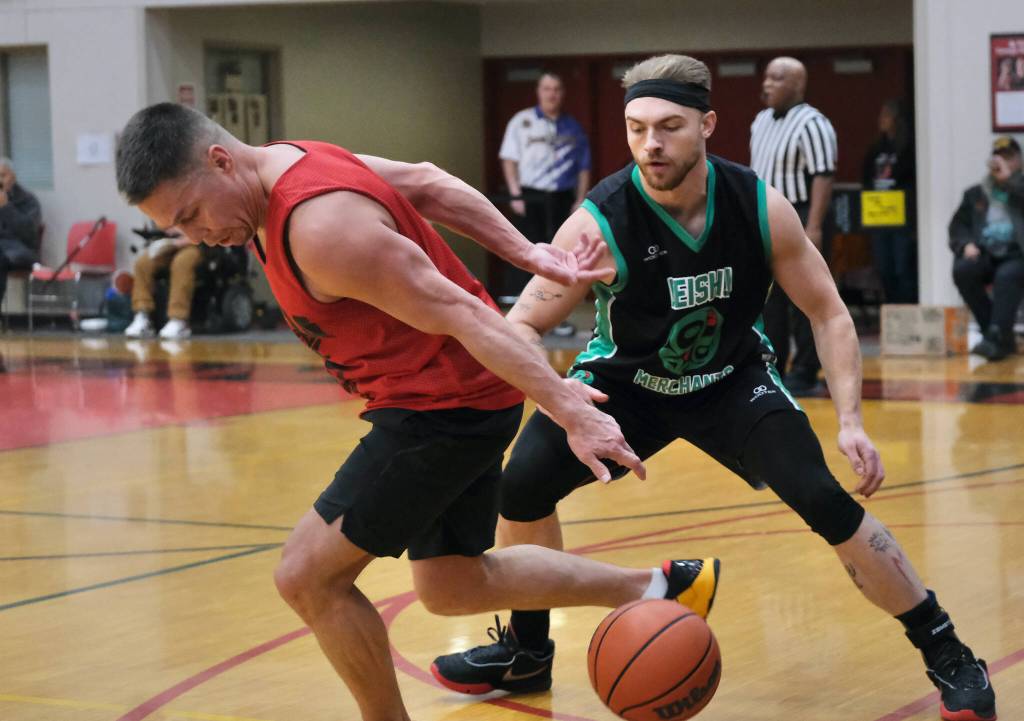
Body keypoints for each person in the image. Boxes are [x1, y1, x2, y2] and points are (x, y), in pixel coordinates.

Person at [431, 55, 997, 721]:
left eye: (669, 126)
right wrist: (564, 403)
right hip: (627, 386)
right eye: (636, 127)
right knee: (522, 481)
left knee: (822, 496)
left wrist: (850, 420)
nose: (651, 144)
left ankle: (947, 649)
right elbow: (520, 323)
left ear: (708, 124)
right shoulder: (599, 220)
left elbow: (829, 311)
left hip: (731, 380)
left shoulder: (759, 206)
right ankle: (528, 649)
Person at [114, 102, 721, 721]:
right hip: (452, 397)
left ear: (221, 161)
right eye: (175, 228)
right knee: (452, 585)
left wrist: (572, 409)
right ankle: (659, 586)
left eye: (190, 214)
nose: (194, 235)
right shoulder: (288, 160)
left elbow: (465, 313)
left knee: (306, 577)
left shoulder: (321, 229)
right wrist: (530, 254)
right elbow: (430, 183)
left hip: (440, 408)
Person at [750, 56, 837, 395]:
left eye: (777, 78)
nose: (767, 84)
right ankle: (775, 363)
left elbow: (824, 176)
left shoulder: (814, 123)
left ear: (798, 84)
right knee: (768, 296)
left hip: (802, 214)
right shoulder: (760, 121)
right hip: (767, 214)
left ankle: (806, 369)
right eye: (767, 77)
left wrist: (813, 225)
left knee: (805, 295)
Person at [499, 70, 591, 310]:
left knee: (560, 248)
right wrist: (515, 193)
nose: (552, 94)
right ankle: (521, 304)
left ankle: (554, 304)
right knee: (525, 246)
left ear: (563, 94)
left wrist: (580, 199)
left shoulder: (573, 127)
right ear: (538, 92)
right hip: (529, 195)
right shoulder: (522, 121)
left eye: (556, 89)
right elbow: (509, 159)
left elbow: (584, 167)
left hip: (562, 197)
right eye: (547, 89)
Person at [949, 135, 1024, 361]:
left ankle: (998, 337)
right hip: (985, 251)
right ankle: (995, 334)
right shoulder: (976, 193)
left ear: (1018, 161)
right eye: (998, 157)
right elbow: (957, 225)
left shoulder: (1020, 188)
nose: (1001, 162)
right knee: (963, 270)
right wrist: (966, 244)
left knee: (1007, 276)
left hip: (1016, 253)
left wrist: (1010, 181)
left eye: (1008, 157)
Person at [862, 99, 917, 304]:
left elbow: (910, 180)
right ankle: (891, 307)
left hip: (901, 217)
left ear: (897, 119)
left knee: (903, 267)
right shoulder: (876, 148)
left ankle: (905, 308)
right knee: (884, 268)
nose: (881, 120)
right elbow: (866, 178)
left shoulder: (908, 148)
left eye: (886, 115)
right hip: (879, 214)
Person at [123, 232, 203, 339]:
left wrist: (180, 241)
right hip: (171, 243)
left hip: (198, 244)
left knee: (181, 263)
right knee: (143, 263)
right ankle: (143, 315)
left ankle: (178, 319)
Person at [0, 157, 42, 312]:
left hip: (22, 251)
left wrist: (5, 208)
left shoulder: (28, 200)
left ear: (13, 176)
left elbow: (29, 233)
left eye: (3, 176)